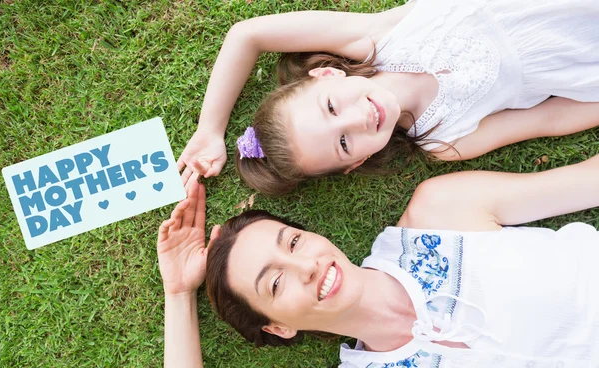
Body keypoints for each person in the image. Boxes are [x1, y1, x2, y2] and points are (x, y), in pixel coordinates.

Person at [158, 156, 599, 368]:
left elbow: (587, 181)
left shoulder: (440, 212)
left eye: (292, 242)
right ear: (278, 326)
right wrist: (178, 295)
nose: (307, 265)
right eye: (275, 283)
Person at [177, 0, 599, 195]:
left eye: (331, 106)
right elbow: (547, 119)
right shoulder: (444, 140)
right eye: (343, 143)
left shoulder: (378, 37)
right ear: (357, 162)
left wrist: (210, 128)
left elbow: (248, 35)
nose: (357, 119)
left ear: (327, 73)